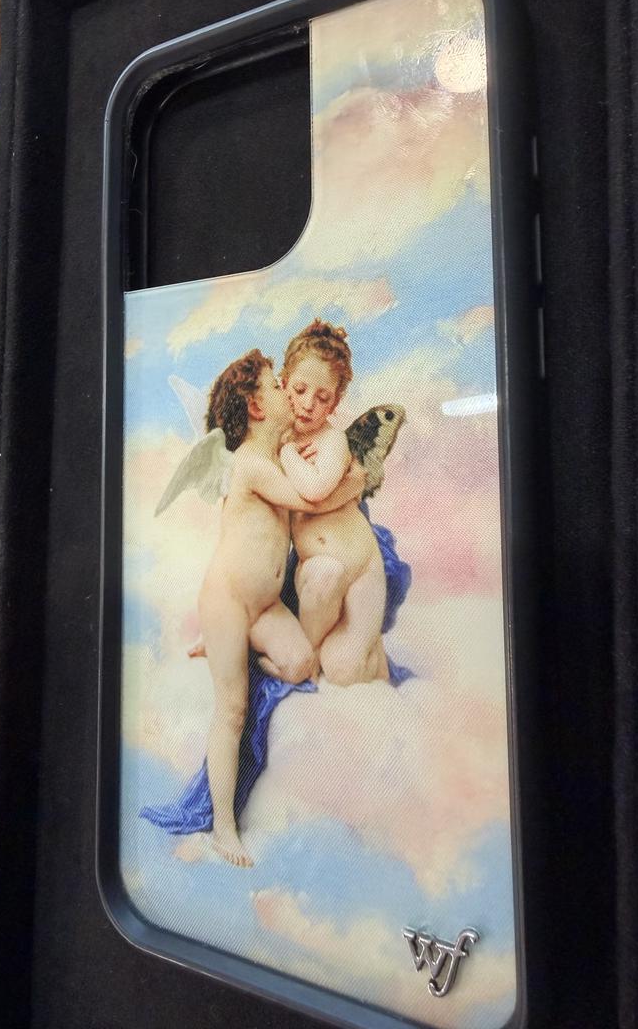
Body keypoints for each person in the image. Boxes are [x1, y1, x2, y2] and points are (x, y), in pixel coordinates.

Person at [188, 349, 365, 866]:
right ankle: (224, 827)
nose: (290, 393)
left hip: (264, 606)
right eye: (277, 385)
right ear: (257, 406)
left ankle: (240, 652)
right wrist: (355, 483)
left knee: (301, 663)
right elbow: (309, 500)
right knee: (232, 709)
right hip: (228, 602)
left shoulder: (283, 452)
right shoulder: (250, 462)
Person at [280, 320, 403, 684]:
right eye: (300, 390)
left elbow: (316, 489)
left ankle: (370, 653)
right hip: (317, 575)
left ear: (334, 402)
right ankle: (307, 656)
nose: (308, 405)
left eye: (322, 398)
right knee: (325, 573)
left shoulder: (331, 441)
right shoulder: (275, 440)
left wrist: (288, 454)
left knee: (345, 669)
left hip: (362, 571)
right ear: (283, 383)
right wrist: (284, 449)